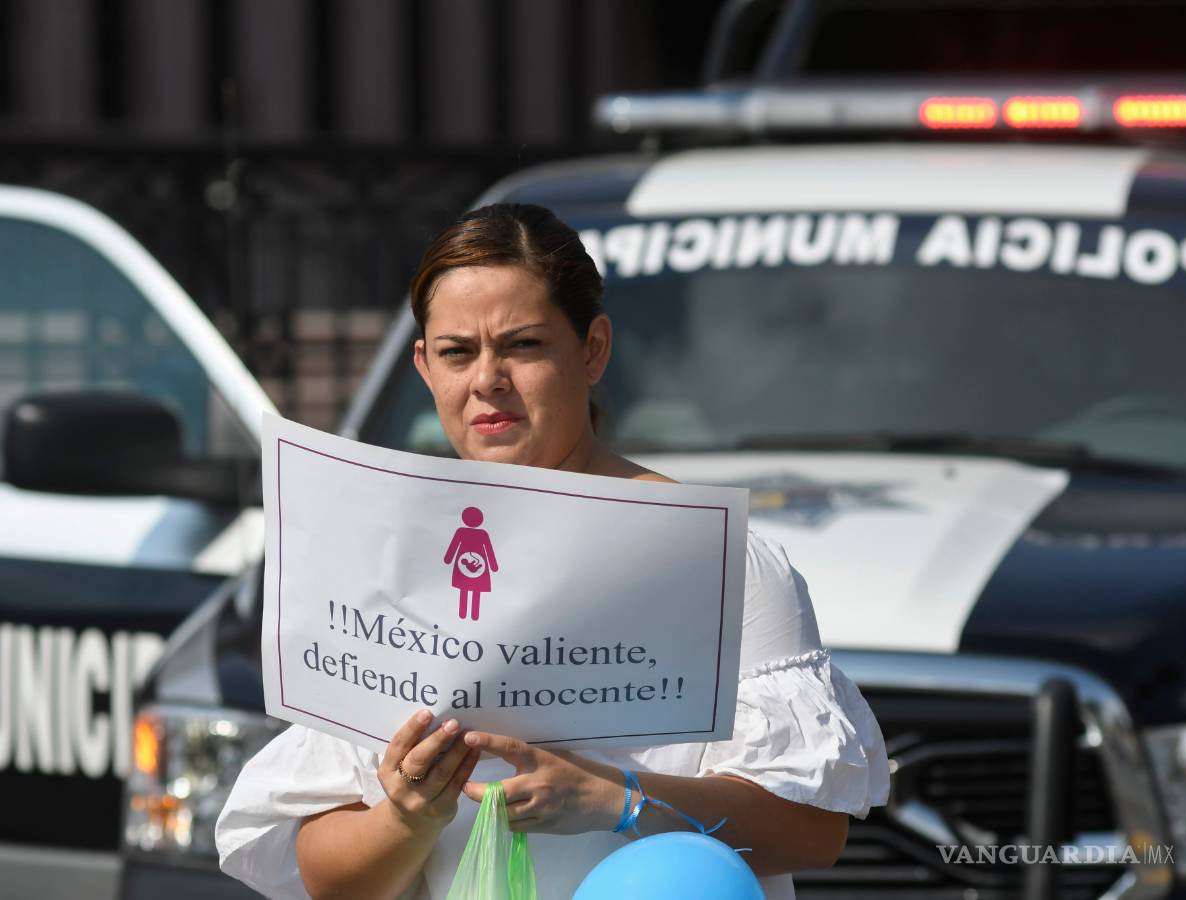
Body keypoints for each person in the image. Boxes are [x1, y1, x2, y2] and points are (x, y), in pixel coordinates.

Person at [215, 203, 891, 900]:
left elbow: (814, 831)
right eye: (457, 352)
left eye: (524, 345)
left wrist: (617, 799)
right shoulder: (382, 567)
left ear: (592, 349)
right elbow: (330, 879)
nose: (487, 380)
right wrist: (409, 816)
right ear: (424, 366)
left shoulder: (721, 563)